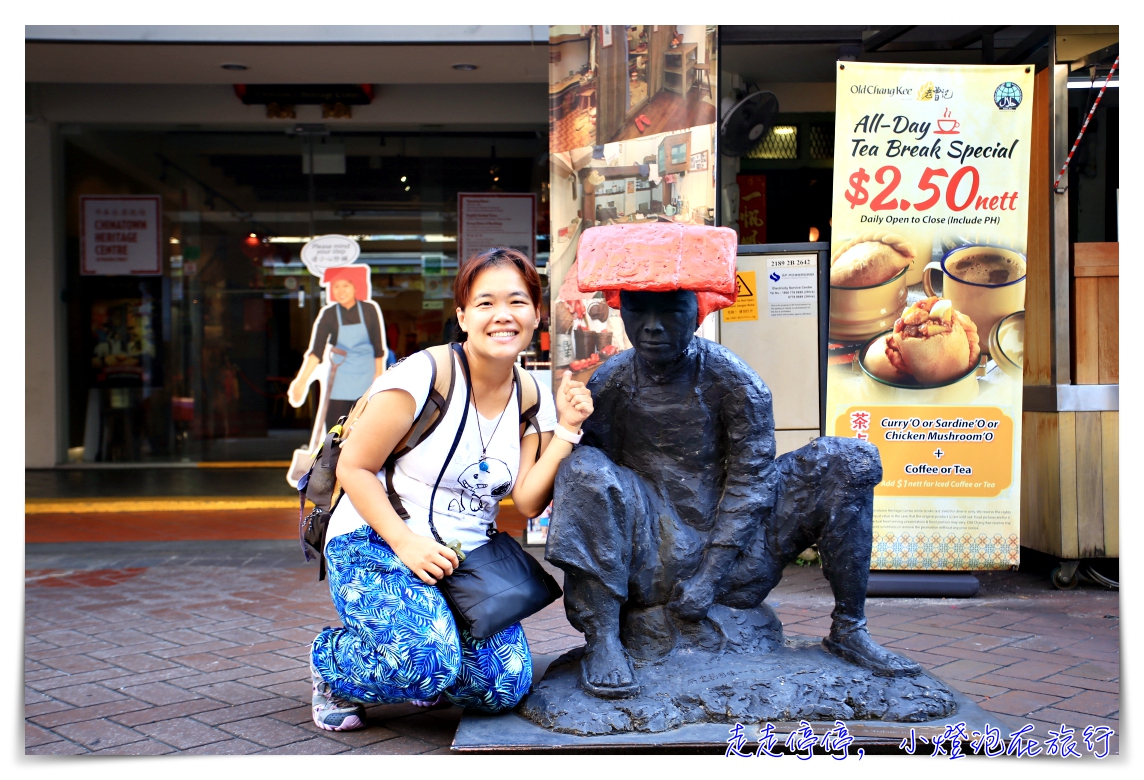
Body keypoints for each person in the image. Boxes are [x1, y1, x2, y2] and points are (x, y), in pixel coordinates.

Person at [546, 225, 922, 700]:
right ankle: (603, 637)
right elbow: (594, 497)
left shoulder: (734, 381)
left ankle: (850, 627)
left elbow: (753, 483)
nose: (654, 326)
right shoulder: (612, 383)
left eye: (671, 311)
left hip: (736, 557)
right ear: (622, 312)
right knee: (583, 468)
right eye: (640, 311)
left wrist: (709, 577)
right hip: (653, 554)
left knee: (849, 459)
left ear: (697, 314)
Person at [308, 247, 594, 731]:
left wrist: (566, 430)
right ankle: (332, 665)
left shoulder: (530, 394)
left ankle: (420, 665)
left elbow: (526, 501)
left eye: (517, 302)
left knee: (502, 685)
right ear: (462, 316)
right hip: (377, 540)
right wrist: (407, 542)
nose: (502, 315)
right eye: (485, 303)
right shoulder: (422, 376)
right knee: (426, 662)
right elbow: (354, 468)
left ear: (536, 314)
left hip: (462, 555)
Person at [288, 265, 388, 432]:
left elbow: (379, 349)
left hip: (367, 378)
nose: (340, 291)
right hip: (340, 378)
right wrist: (301, 381)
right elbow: (316, 352)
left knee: (364, 427)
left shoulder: (369, 310)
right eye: (336, 286)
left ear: (356, 287)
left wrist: (378, 378)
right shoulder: (329, 314)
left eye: (345, 286)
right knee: (336, 427)